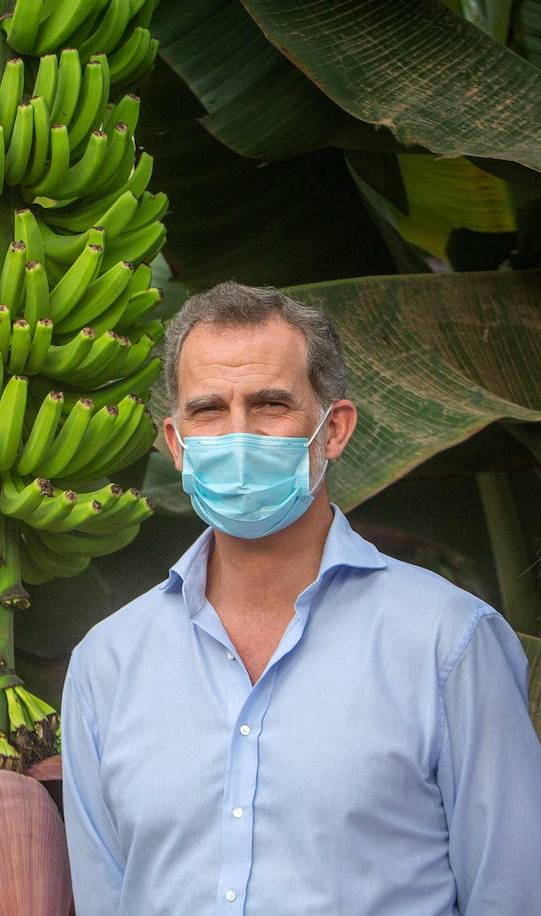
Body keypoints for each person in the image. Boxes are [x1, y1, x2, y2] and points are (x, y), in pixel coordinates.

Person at [61, 282, 541, 914]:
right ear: (176, 445)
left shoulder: (447, 642)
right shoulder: (109, 664)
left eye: (269, 404)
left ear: (333, 429)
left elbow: (511, 892)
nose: (238, 435)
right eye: (208, 410)